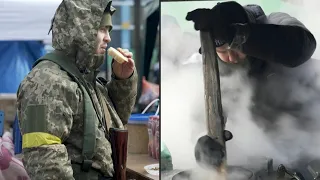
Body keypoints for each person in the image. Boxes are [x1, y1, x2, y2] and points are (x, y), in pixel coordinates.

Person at [186, 1, 317, 171]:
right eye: (223, 52)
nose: (232, 58)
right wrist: (203, 143)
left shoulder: (276, 22)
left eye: (235, 48)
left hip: (312, 139)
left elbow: (301, 46)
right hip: (270, 154)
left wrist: (238, 36)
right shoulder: (219, 69)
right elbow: (203, 115)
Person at [16, 0, 137, 179]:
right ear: (80, 29)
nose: (108, 38)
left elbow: (116, 122)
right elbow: (45, 160)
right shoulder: (46, 81)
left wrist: (122, 79)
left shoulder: (84, 77)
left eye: (109, 30)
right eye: (101, 29)